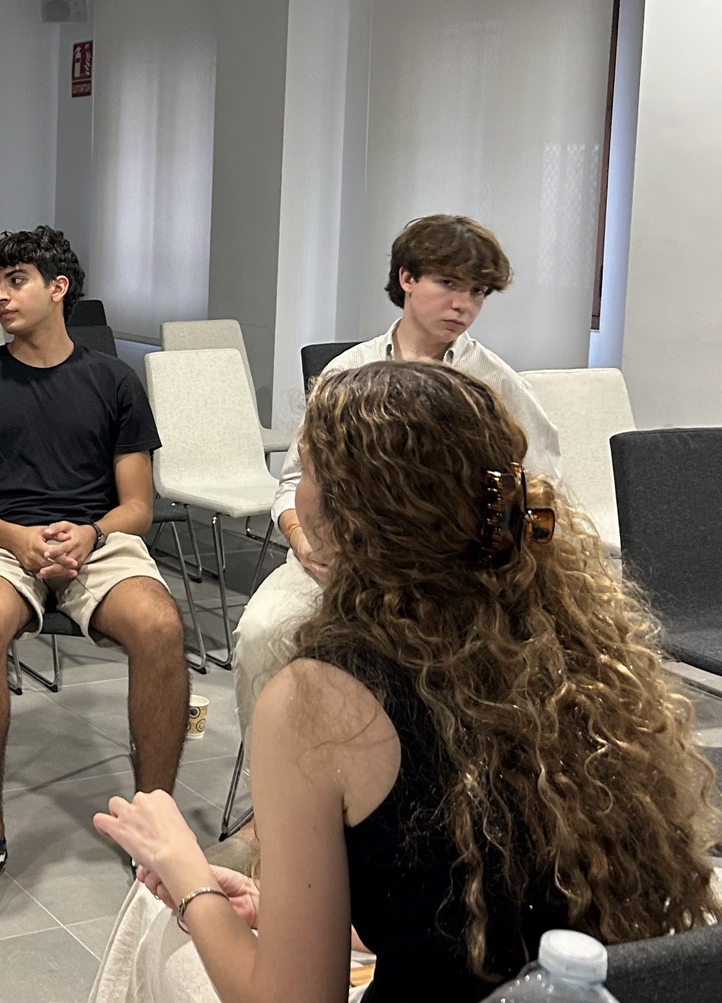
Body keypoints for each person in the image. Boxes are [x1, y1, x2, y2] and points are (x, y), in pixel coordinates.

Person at [66, 361, 722, 1003]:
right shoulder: (585, 661)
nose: (295, 493)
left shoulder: (317, 702)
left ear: (349, 516)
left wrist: (186, 875)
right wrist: (289, 914)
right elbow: (473, 896)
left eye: (306, 470)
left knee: (150, 928)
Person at [231, 215, 561, 765]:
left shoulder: (497, 384)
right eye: (448, 284)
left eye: (478, 292)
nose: (464, 305)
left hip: (448, 570)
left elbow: (539, 493)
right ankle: (273, 791)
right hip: (339, 558)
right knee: (262, 634)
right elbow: (292, 483)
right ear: (407, 278)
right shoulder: (348, 372)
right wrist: (303, 542)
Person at [0, 227, 188, 926]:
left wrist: (91, 533)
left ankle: (156, 827)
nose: (0, 296)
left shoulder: (113, 381)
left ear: (58, 288)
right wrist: (17, 538)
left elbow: (137, 506)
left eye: (15, 281)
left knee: (161, 625)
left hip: (92, 540)